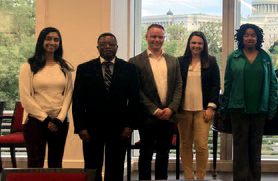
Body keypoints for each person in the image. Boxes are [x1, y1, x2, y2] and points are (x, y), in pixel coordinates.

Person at [72, 33, 139, 181]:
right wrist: (80, 127)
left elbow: (134, 100)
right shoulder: (84, 69)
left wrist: (129, 126)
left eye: (111, 44)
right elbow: (77, 100)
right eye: (103, 44)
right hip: (91, 127)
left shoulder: (129, 69)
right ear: (97, 47)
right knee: (92, 167)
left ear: (117, 47)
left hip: (120, 128)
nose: (107, 47)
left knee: (115, 167)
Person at [220, 23, 278, 181]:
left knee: (255, 148)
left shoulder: (265, 57)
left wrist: (271, 108)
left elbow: (273, 83)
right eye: (246, 35)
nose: (250, 38)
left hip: (259, 110)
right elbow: (228, 84)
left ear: (258, 38)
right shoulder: (234, 57)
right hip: (237, 109)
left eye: (253, 35)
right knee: (239, 148)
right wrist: (224, 108)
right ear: (241, 37)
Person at [129, 24, 183, 180]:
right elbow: (136, 90)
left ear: (164, 39)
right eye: (153, 36)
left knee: (163, 154)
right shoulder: (135, 61)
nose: (157, 40)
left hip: (168, 116)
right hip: (147, 117)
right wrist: (154, 110)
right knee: (145, 153)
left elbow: (179, 86)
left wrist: (171, 109)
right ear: (146, 37)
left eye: (160, 37)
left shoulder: (173, 61)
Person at [19, 27, 73, 168]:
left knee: (56, 164)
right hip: (34, 122)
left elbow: (68, 94)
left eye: (56, 40)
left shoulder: (65, 67)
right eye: (48, 38)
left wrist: (59, 119)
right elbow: (26, 98)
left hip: (59, 122)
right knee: (35, 164)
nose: (52, 42)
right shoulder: (28, 67)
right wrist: (46, 120)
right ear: (41, 41)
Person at [177, 31, 221, 180]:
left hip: (203, 110)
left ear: (204, 45)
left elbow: (216, 85)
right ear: (189, 44)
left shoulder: (211, 61)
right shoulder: (180, 61)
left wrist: (211, 107)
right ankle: (189, 177)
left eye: (199, 43)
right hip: (183, 110)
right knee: (185, 144)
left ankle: (200, 177)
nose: (196, 46)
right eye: (193, 43)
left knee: (201, 145)